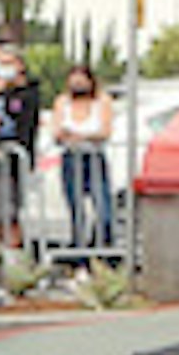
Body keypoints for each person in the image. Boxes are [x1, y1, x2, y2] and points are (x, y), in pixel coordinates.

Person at [48, 65, 114, 252]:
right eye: (74, 79)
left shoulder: (102, 101)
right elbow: (57, 132)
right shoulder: (62, 102)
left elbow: (105, 131)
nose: (77, 83)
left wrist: (79, 136)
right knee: (76, 210)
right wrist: (69, 136)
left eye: (82, 79)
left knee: (104, 209)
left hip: (94, 158)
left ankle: (101, 247)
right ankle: (79, 251)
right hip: (71, 158)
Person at [0, 45, 36, 255]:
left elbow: (23, 126)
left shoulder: (25, 94)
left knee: (8, 214)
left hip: (11, 163)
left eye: (6, 62)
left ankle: (16, 259)